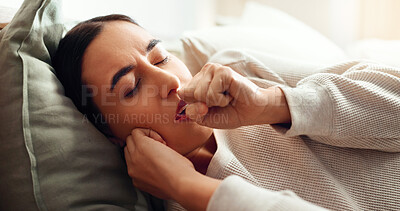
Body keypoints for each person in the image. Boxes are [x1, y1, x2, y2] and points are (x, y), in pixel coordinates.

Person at [53, 14, 400, 211]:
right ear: (113, 136)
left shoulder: (241, 73)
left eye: (160, 57)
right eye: (131, 87)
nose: (170, 80)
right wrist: (186, 186)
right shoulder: (186, 200)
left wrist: (271, 104)